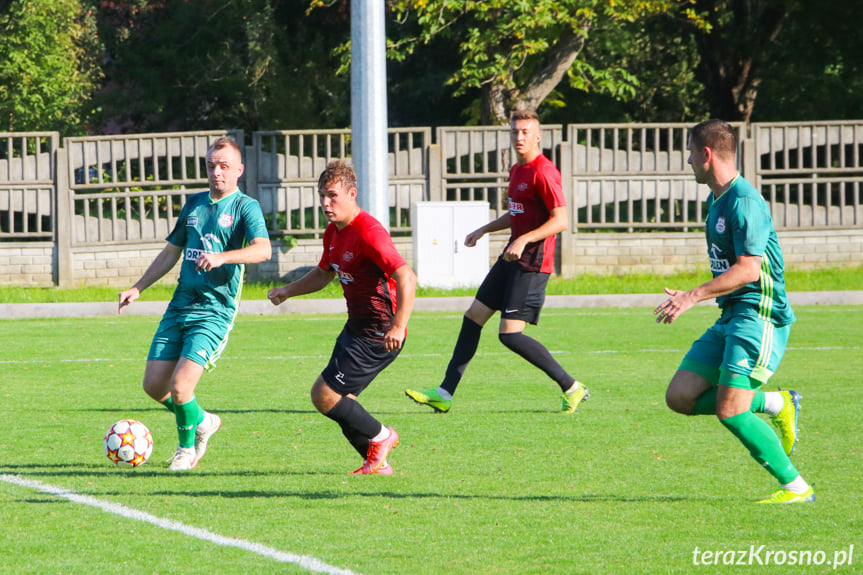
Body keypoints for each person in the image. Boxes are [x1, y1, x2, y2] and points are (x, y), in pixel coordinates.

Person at [654, 119, 812, 503]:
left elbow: (749, 268)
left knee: (729, 409)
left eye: (691, 153)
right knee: (680, 397)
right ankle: (776, 403)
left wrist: (692, 296)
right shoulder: (717, 200)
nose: (688, 161)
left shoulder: (744, 201)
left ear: (706, 154)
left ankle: (795, 487)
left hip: (760, 317)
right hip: (731, 316)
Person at [405, 109, 589, 414]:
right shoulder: (517, 170)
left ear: (537, 136)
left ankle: (572, 386)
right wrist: (484, 229)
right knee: (473, 316)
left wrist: (524, 238)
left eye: (525, 132)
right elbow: (517, 213)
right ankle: (444, 393)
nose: (519, 137)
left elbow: (561, 220)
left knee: (509, 334)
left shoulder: (544, 171)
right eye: (515, 131)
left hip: (532, 262)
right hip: (511, 257)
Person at [118, 136, 271, 471]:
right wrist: (138, 287)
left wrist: (222, 258)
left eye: (224, 166)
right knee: (154, 386)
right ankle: (202, 421)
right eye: (211, 165)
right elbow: (172, 251)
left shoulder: (246, 207)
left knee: (181, 385)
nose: (217, 172)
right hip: (179, 306)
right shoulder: (194, 204)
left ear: (238, 171)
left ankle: (186, 450)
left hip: (215, 311)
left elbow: (263, 250)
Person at [268, 160, 416, 475]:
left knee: (324, 395)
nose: (325, 203)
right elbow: (323, 275)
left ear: (352, 194)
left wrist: (399, 325)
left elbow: (407, 276)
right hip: (356, 328)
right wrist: (288, 291)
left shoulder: (369, 232)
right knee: (341, 401)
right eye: (322, 196)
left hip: (378, 331)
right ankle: (377, 463)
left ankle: (383, 436)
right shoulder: (333, 233)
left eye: (332, 196)